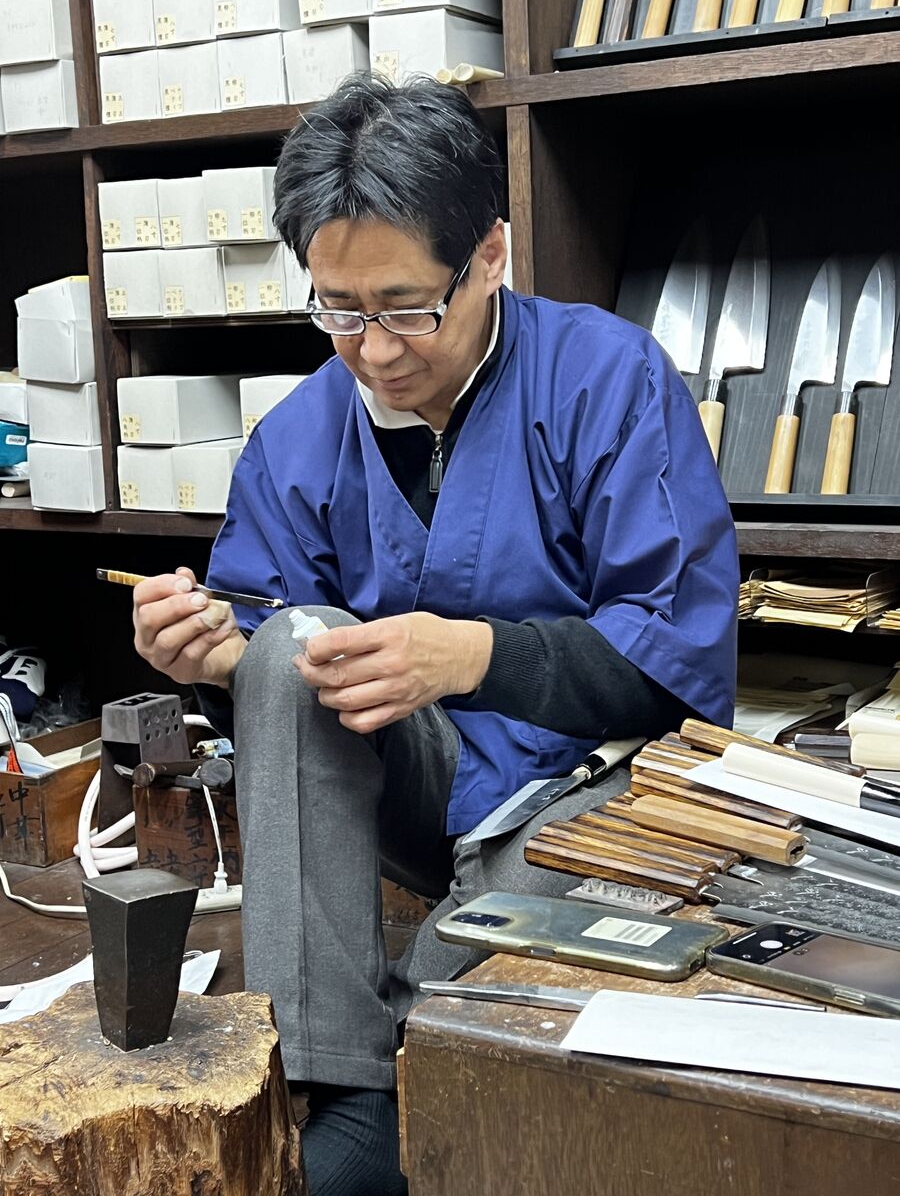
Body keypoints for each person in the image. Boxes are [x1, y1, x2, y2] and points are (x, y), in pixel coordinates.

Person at [133, 72, 738, 1196]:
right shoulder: (298, 436)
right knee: (282, 643)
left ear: (492, 256)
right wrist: (219, 664)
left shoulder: (611, 381)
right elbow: (270, 639)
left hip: (583, 776)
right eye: (339, 309)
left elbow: (677, 666)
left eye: (410, 307)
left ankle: (393, 1078)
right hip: (414, 788)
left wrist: (476, 655)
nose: (374, 349)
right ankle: (335, 1075)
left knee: (499, 914)